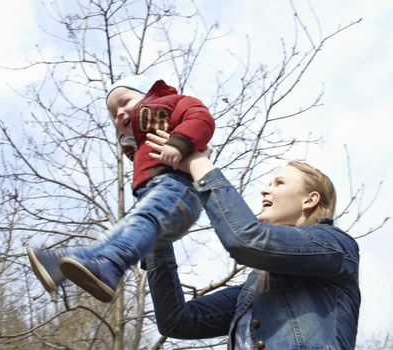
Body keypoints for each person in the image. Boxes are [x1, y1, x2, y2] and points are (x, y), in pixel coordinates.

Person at [143, 129, 360, 349]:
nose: (265, 190)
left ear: (310, 200)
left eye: (279, 183)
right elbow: (177, 320)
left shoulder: (336, 247)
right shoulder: (254, 289)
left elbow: (246, 239)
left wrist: (198, 165)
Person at [27, 75, 215, 303]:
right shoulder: (138, 142)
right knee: (116, 234)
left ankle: (112, 265)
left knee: (140, 222)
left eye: (125, 102)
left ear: (150, 94)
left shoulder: (171, 103)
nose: (120, 114)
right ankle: (62, 265)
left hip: (180, 189)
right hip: (160, 193)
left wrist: (179, 143)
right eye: (114, 114)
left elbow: (201, 119)